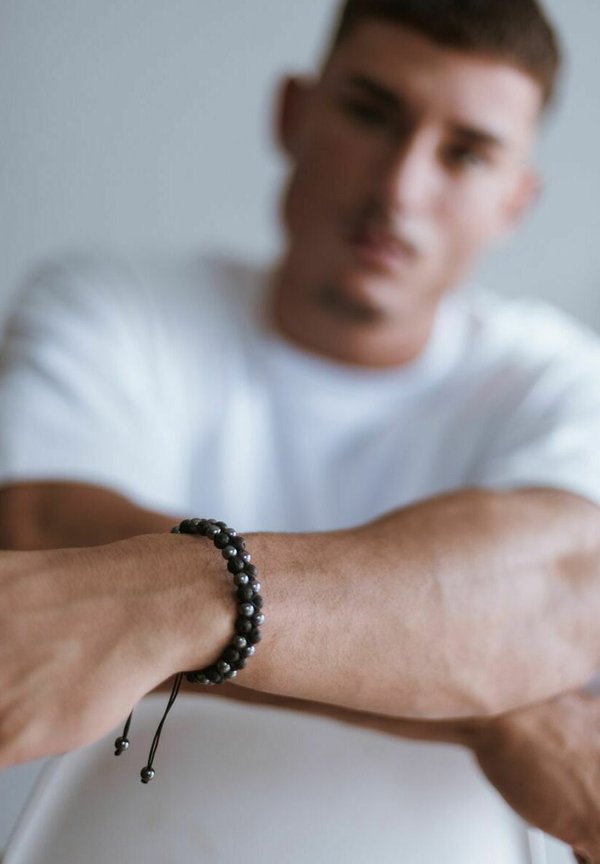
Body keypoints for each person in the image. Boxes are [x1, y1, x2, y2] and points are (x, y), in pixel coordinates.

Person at [1, 0, 600, 859]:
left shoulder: (561, 378)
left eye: (465, 154)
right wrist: (497, 705)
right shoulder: (108, 306)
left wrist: (172, 601)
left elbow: (551, 596)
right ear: (294, 114)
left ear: (515, 201)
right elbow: (46, 553)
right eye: (371, 114)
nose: (400, 189)